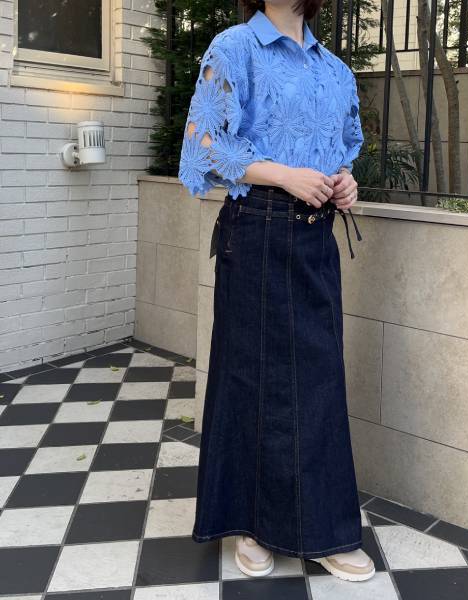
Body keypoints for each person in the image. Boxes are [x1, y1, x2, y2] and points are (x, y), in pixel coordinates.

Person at [178, 0, 374, 583]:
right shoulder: (234, 48)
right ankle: (250, 524)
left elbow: (342, 149)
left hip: (316, 237)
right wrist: (285, 175)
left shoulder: (334, 69)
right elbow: (203, 143)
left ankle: (324, 530)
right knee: (250, 378)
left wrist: (345, 182)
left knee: (318, 383)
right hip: (256, 230)